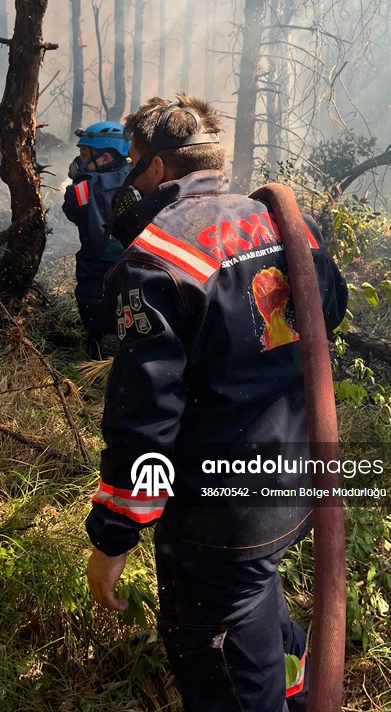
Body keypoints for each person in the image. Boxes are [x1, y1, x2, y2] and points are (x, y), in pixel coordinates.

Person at [85, 95, 348, 712]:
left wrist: (114, 539)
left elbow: (146, 419)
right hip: (294, 486)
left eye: (131, 162)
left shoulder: (156, 259)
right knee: (264, 608)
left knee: (226, 671)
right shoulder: (286, 223)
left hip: (217, 522)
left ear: (154, 168)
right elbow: (327, 312)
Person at [62, 122, 130, 348]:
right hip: (135, 266)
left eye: (84, 154)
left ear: (105, 158)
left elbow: (72, 212)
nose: (79, 161)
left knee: (95, 298)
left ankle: (102, 344)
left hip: (97, 272)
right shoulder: (137, 179)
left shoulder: (83, 189)